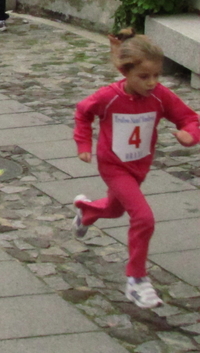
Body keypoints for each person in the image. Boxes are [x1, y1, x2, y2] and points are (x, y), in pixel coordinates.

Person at [72, 31, 200, 309]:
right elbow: (83, 111)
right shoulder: (109, 96)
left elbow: (189, 118)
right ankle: (137, 280)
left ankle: (87, 211)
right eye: (144, 77)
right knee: (144, 218)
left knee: (116, 210)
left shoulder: (160, 96)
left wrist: (190, 134)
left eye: (157, 75)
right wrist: (83, 143)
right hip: (113, 165)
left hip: (139, 166)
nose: (152, 82)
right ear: (125, 72)